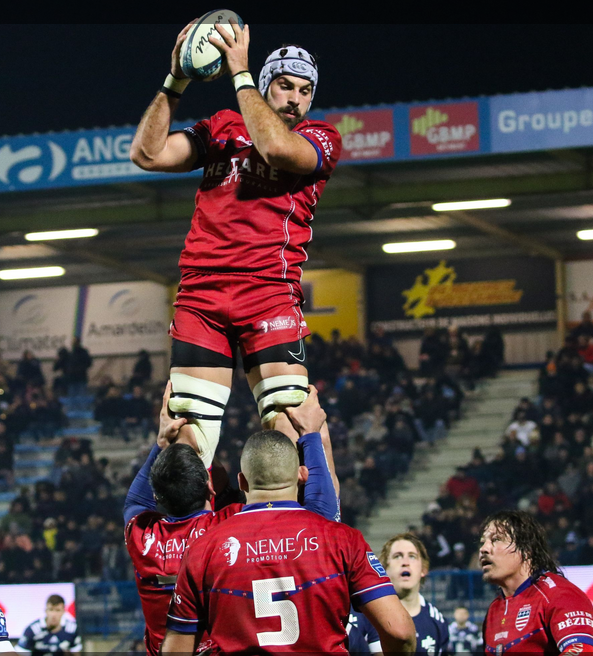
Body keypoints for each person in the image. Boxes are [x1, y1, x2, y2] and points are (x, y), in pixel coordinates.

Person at [129, 18, 342, 470]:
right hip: (202, 296)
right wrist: (176, 80)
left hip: (269, 295)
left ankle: (322, 532)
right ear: (267, 86)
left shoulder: (320, 138)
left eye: (305, 90)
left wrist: (240, 71)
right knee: (185, 447)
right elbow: (147, 155)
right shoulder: (221, 128)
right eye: (285, 86)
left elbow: (276, 150)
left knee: (296, 433)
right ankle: (193, 539)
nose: (295, 99)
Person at [124, 382, 339, 656]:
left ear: (158, 498)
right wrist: (310, 436)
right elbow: (318, 516)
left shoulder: (141, 536)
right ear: (210, 488)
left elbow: (135, 502)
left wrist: (160, 445)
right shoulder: (229, 528)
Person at [161, 435, 416, 654]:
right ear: (301, 474)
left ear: (242, 481)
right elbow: (400, 632)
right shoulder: (343, 539)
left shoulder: (203, 549)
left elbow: (176, 649)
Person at [480, 509, 593, 654]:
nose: (483, 549)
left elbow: (583, 651)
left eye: (496, 539)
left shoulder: (560, 595)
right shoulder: (494, 610)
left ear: (526, 550)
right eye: (483, 542)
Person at [379, 532, 450, 656]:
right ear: (385, 568)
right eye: (397, 556)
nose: (405, 562)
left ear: (423, 569)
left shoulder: (438, 621)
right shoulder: (370, 615)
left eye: (412, 556)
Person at [15, 595, 81, 656]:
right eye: (51, 610)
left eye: (57, 610)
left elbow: (76, 652)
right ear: (46, 610)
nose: (53, 614)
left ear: (63, 611)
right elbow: (21, 652)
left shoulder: (72, 629)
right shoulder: (33, 629)